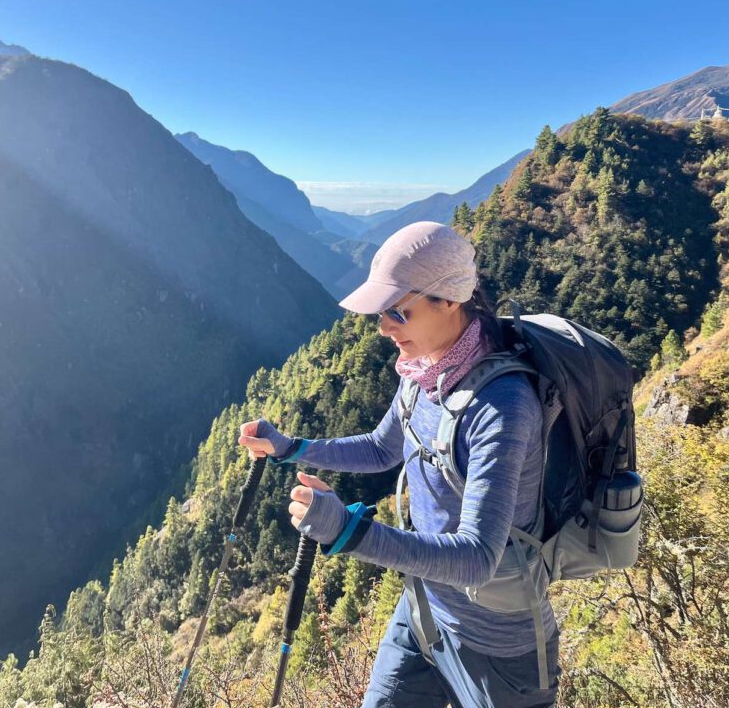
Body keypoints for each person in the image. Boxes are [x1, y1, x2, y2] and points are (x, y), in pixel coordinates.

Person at [238, 221, 560, 707]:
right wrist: (292, 448)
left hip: (497, 646)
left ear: (449, 300)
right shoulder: (422, 373)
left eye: (398, 312)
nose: (384, 328)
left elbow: (476, 559)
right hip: (423, 612)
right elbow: (381, 448)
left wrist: (349, 532)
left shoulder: (503, 406)